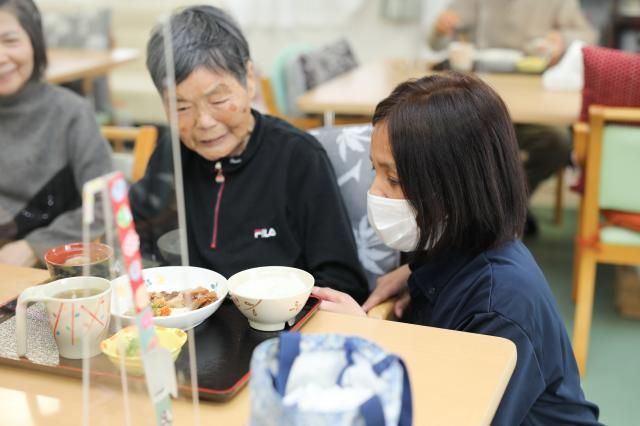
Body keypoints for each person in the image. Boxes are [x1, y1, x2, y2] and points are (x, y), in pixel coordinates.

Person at [312, 73, 601, 424]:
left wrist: (366, 339)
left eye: (395, 180)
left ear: (458, 187)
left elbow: (451, 414)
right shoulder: (445, 241)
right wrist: (414, 274)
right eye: (377, 171)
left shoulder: (502, 305)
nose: (375, 192)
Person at [132, 5, 369, 303]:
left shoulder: (298, 158)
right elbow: (136, 238)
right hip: (187, 332)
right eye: (181, 107)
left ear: (249, 79)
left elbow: (342, 283)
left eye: (218, 98)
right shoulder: (172, 152)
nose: (204, 122)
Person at [429, 0, 597, 236]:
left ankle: (505, 206)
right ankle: (489, 210)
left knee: (558, 141)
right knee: (446, 134)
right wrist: (440, 28)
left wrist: (562, 40)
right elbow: (436, 43)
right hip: (480, 98)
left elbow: (587, 35)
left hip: (536, 99)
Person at [0, 0, 113, 266]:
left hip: (52, 280)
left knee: (31, 311)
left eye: (10, 40)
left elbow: (104, 204)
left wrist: (33, 246)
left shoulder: (70, 113)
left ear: (34, 40)